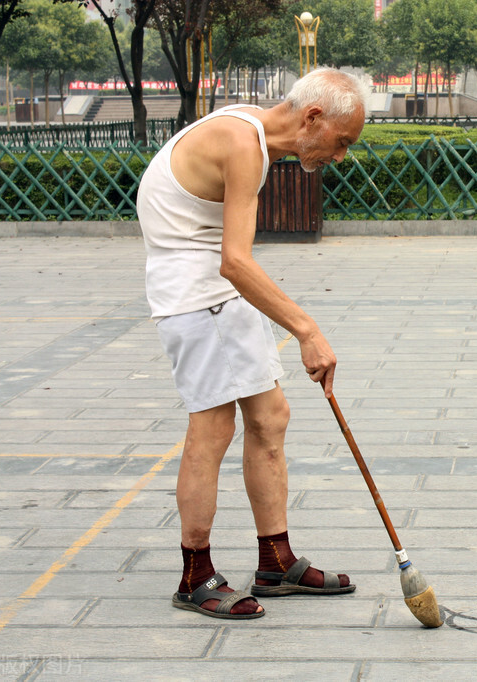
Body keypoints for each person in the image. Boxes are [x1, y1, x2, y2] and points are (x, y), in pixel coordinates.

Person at [136, 67, 368, 620]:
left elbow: (232, 262)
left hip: (219, 291)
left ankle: (274, 560)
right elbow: (235, 260)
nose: (339, 158)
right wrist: (306, 330)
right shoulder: (243, 142)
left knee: (270, 417)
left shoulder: (252, 131)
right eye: (342, 142)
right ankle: (195, 576)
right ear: (313, 118)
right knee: (212, 426)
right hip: (197, 296)